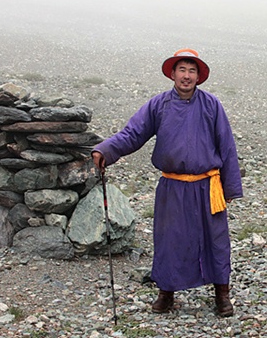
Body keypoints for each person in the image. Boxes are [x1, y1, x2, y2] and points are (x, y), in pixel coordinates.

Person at [91, 48, 243, 317]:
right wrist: (105, 150)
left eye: (192, 70)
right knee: (169, 239)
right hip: (172, 186)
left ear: (199, 76)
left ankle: (222, 295)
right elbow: (133, 133)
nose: (186, 76)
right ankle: (166, 293)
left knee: (215, 240)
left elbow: (227, 145)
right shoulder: (158, 105)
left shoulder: (212, 105)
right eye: (182, 70)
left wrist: (229, 188)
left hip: (208, 187)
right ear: (172, 73)